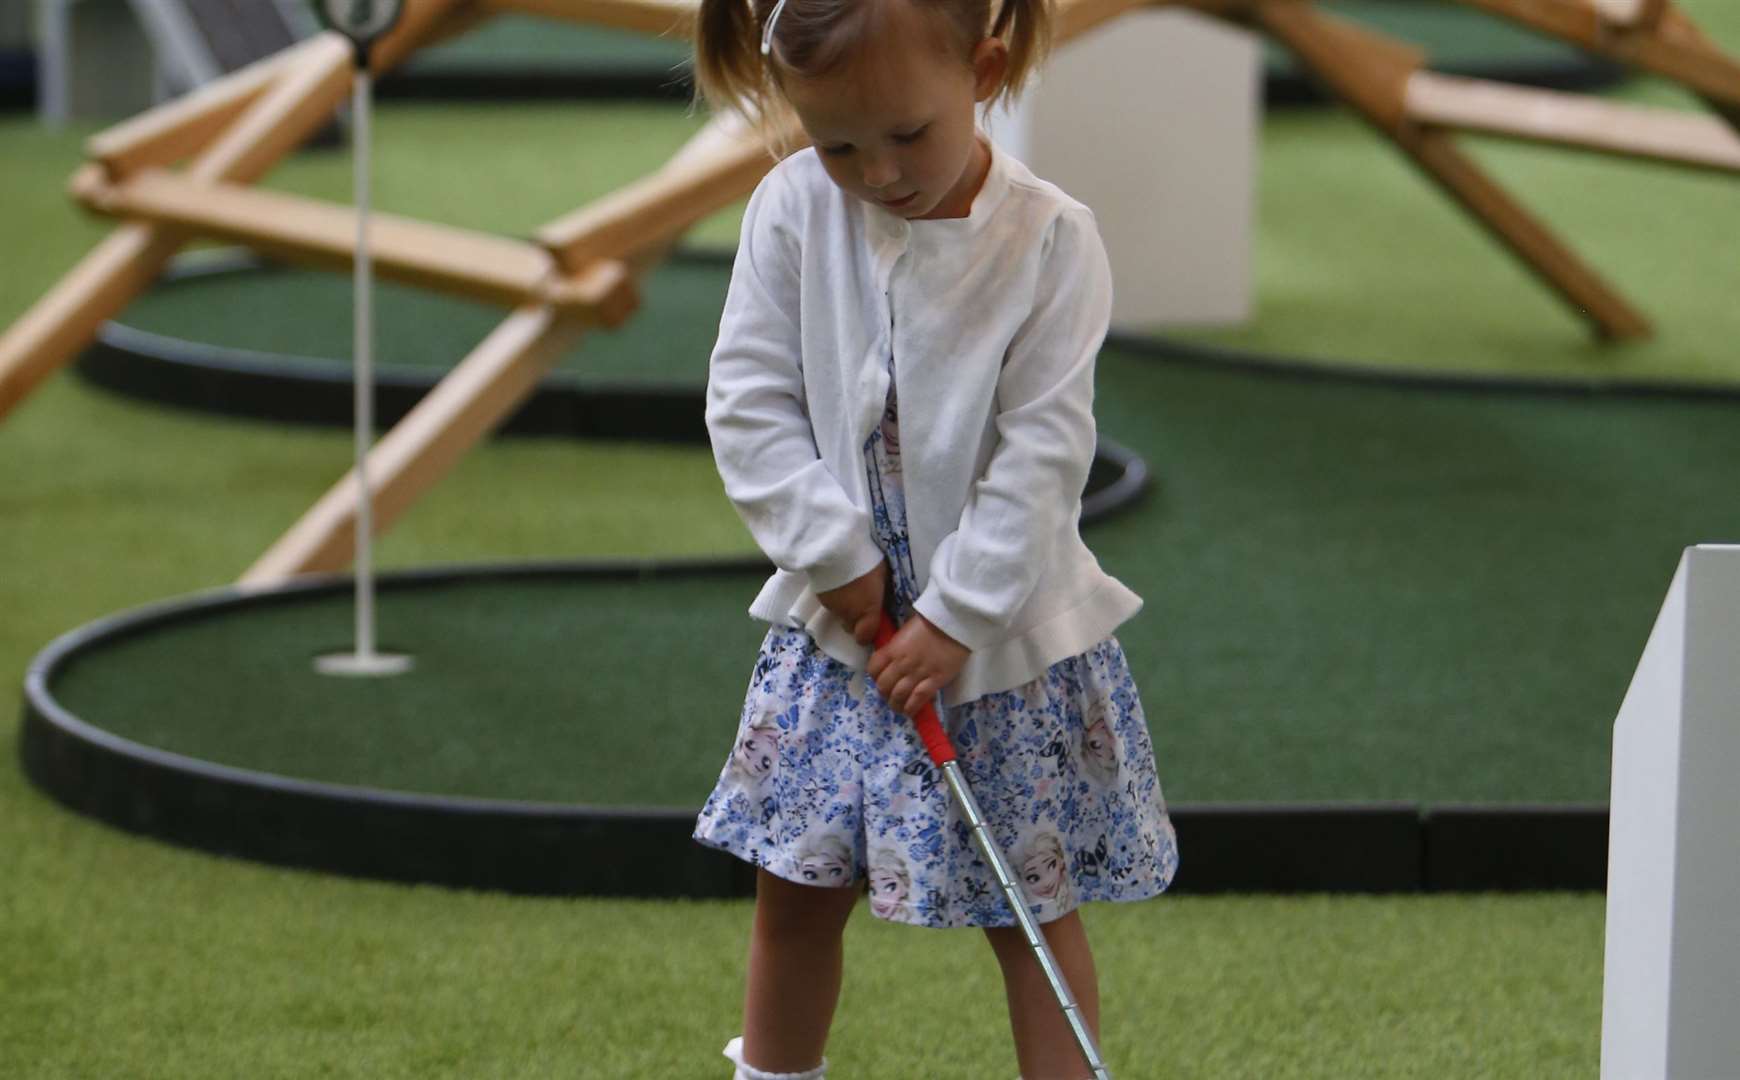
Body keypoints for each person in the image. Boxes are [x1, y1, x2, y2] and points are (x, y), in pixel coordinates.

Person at [689, 0, 1179, 1075]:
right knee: (797, 892)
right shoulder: (789, 210)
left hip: (1001, 654)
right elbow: (748, 403)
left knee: (1030, 909)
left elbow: (1044, 457)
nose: (877, 172)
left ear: (986, 70)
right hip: (840, 641)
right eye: (838, 144)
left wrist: (952, 621)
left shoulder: (1049, 240)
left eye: (908, 134)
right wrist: (842, 564)